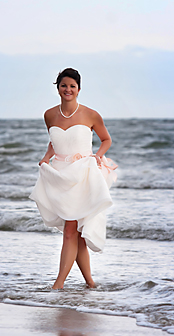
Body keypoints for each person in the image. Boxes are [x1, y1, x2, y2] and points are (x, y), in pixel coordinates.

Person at [29, 68, 117, 289]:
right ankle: (90, 283)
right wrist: (45, 158)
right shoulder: (49, 115)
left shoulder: (91, 114)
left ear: (78, 89)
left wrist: (98, 156)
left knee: (71, 229)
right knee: (75, 233)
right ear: (57, 88)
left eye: (72, 86)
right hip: (60, 176)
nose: (68, 89)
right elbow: (54, 142)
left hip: (83, 175)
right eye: (63, 85)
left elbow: (106, 139)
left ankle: (58, 284)